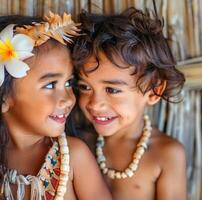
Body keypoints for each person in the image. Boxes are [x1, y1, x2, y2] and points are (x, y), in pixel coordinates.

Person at [0, 13, 111, 200]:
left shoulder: (74, 156)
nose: (68, 99)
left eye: (69, 83)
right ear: (3, 97)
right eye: (50, 85)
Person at [72, 8, 187, 200]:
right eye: (85, 87)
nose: (95, 104)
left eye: (112, 90)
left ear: (154, 91)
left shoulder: (166, 155)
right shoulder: (79, 145)